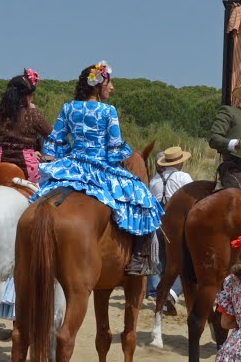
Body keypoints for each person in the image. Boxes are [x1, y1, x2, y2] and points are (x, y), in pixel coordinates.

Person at [35, 61, 163, 274]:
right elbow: (114, 146)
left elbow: (55, 140)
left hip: (71, 166)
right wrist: (125, 153)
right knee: (146, 201)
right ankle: (140, 258)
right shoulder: (108, 111)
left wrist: (54, 158)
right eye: (109, 83)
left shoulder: (68, 108)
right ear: (98, 86)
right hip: (99, 168)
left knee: (38, 194)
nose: (112, 88)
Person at [147, 146, 193, 309]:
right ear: (179, 163)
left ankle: (156, 291)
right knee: (182, 260)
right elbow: (192, 199)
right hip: (176, 223)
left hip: (157, 222)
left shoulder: (154, 180)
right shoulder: (183, 177)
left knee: (158, 259)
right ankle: (172, 292)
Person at [0, 68, 52, 182]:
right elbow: (51, 135)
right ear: (26, 96)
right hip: (26, 167)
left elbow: (7, 140)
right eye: (31, 95)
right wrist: (35, 110)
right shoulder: (32, 114)